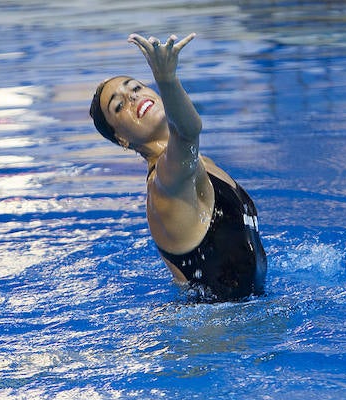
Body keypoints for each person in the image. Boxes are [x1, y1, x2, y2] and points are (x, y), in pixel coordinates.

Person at [90, 33, 266, 301]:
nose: (133, 97)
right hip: (214, 337)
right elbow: (187, 131)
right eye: (120, 105)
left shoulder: (199, 162)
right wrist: (168, 79)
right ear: (122, 140)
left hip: (239, 325)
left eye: (135, 88)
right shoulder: (167, 181)